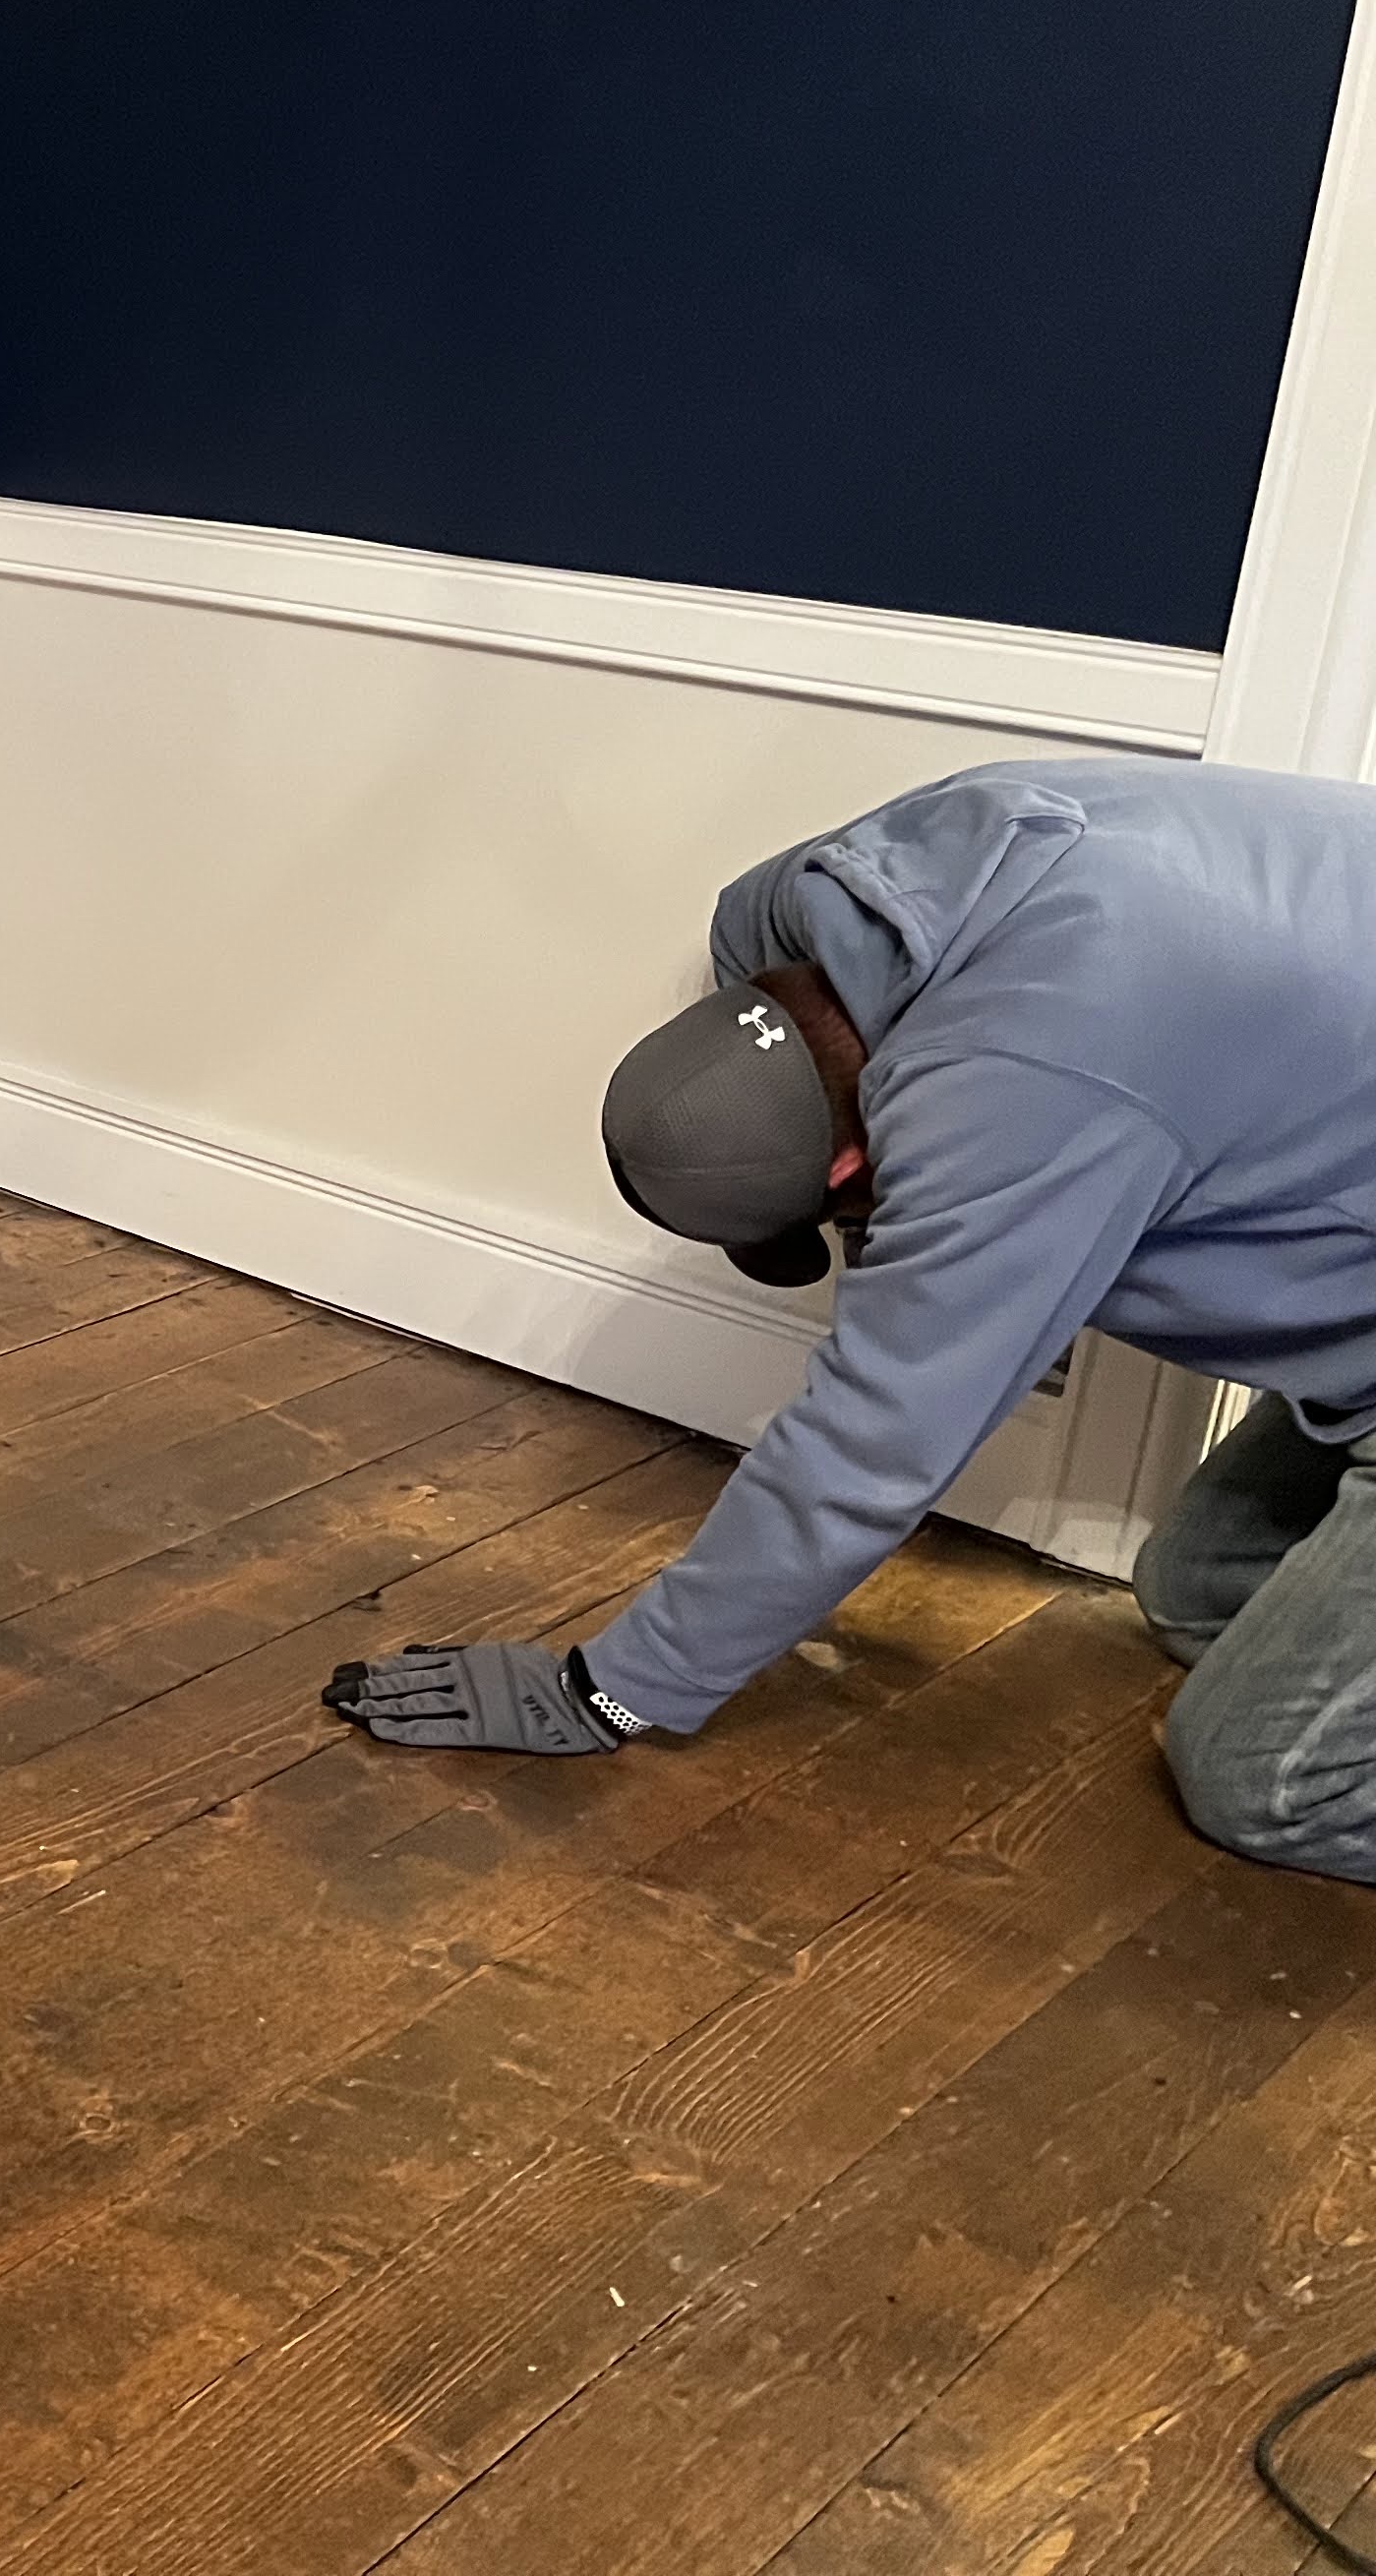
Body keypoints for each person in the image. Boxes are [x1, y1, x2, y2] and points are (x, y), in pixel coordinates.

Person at [325, 754, 1376, 1887]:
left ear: (847, 1158)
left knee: (1261, 1781)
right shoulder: (802, 907)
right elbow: (750, 977)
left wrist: (613, 1687)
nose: (855, 1242)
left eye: (844, 1214)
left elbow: (868, 1446)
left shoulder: (1023, 1090)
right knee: (1198, 1592)